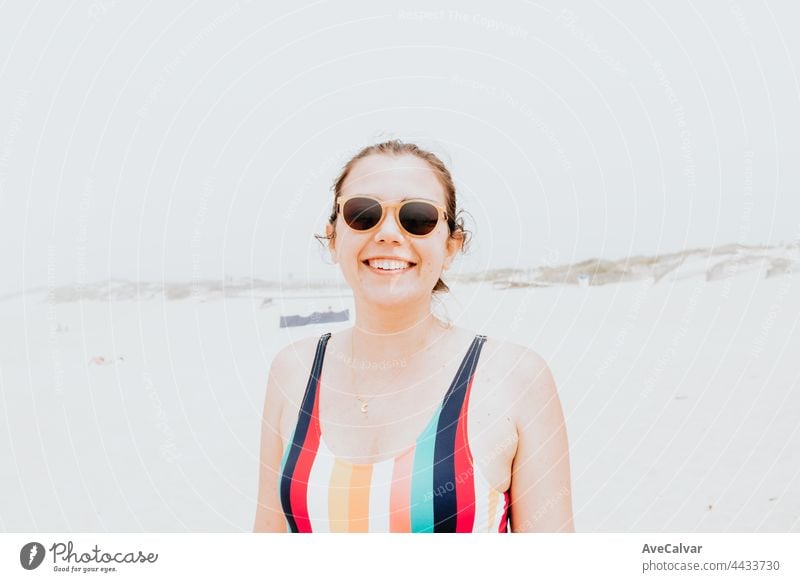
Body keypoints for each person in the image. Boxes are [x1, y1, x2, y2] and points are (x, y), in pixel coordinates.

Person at [254, 140, 574, 532]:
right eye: (363, 213)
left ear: (452, 245)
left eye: (417, 217)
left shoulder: (515, 379)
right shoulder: (293, 372)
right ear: (333, 237)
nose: (388, 233)